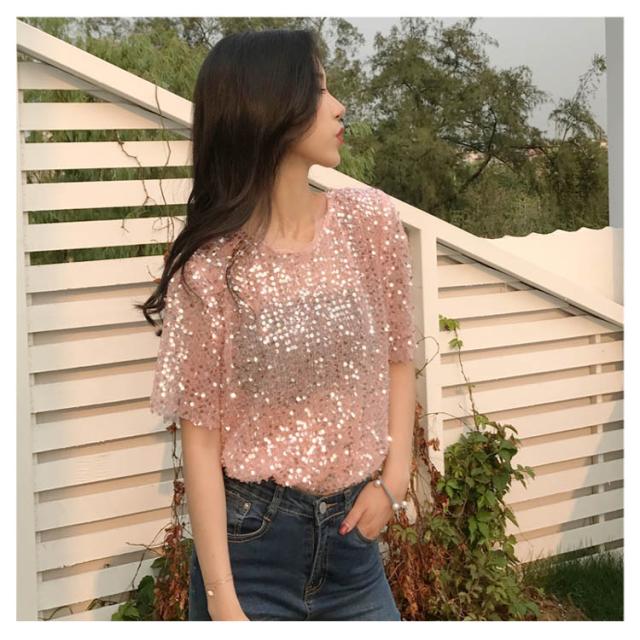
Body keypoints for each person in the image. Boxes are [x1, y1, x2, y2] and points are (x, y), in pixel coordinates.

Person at [138, 28, 417, 621]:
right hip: (250, 551)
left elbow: (399, 354)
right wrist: (223, 601)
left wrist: (394, 480)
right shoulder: (211, 265)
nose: (338, 106)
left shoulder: (368, 221)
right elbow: (201, 440)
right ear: (268, 107)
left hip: (353, 550)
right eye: (317, 89)